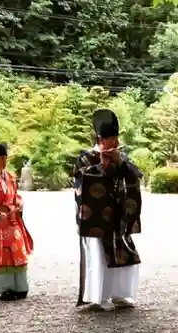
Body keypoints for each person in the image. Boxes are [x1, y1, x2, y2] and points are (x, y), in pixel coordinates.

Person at [74, 109, 143, 311]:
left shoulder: (123, 157)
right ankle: (98, 297)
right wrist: (102, 167)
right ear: (99, 138)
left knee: (124, 252)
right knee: (98, 255)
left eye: (114, 138)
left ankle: (121, 294)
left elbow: (135, 176)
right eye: (107, 138)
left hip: (119, 214)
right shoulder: (85, 157)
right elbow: (80, 182)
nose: (111, 142)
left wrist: (120, 162)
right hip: (95, 215)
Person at [0, 143, 33, 300]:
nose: (3, 160)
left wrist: (18, 203)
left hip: (12, 220)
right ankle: (0, 288)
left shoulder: (9, 177)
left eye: (5, 157)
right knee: (2, 255)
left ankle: (20, 286)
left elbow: (15, 195)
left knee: (18, 251)